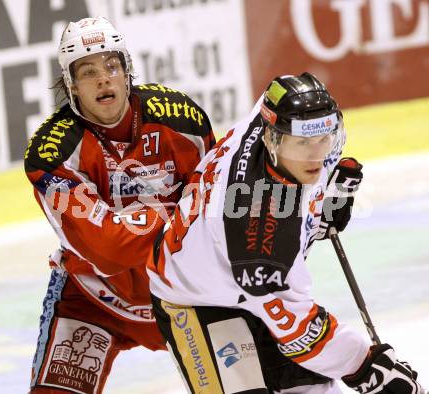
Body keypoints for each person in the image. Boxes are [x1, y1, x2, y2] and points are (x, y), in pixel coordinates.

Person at [147, 73, 423, 393]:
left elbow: (288, 94)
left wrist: (318, 209)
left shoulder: (278, 117)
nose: (316, 154)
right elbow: (298, 332)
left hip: (236, 271)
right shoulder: (255, 231)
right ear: (272, 139)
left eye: (324, 138)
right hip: (197, 299)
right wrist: (365, 368)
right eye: (303, 143)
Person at [24, 16, 215, 393]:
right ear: (71, 86)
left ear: (127, 71)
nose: (103, 79)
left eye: (112, 66)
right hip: (94, 299)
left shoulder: (182, 120)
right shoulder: (53, 151)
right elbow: (108, 250)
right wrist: (178, 214)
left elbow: (222, 200)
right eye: (88, 72)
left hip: (188, 295)